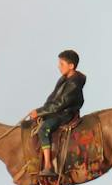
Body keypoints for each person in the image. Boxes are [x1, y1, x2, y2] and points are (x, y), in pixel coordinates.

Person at [27, 50, 86, 178]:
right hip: (57, 111)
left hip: (65, 113)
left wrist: (40, 112)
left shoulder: (73, 83)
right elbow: (53, 99)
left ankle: (48, 165)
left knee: (43, 129)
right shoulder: (64, 79)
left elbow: (60, 103)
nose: (59, 66)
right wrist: (41, 111)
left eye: (62, 64)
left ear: (71, 66)